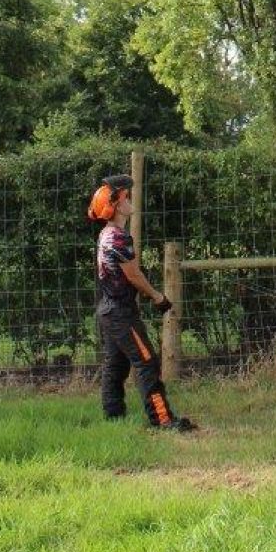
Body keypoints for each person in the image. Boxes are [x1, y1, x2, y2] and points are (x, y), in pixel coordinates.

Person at [87, 173, 193, 431]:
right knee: (146, 362)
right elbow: (133, 274)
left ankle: (113, 417)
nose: (132, 199)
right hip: (121, 314)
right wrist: (157, 297)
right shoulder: (120, 238)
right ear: (117, 205)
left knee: (116, 364)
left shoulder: (106, 234)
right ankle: (164, 421)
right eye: (127, 196)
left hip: (108, 311)